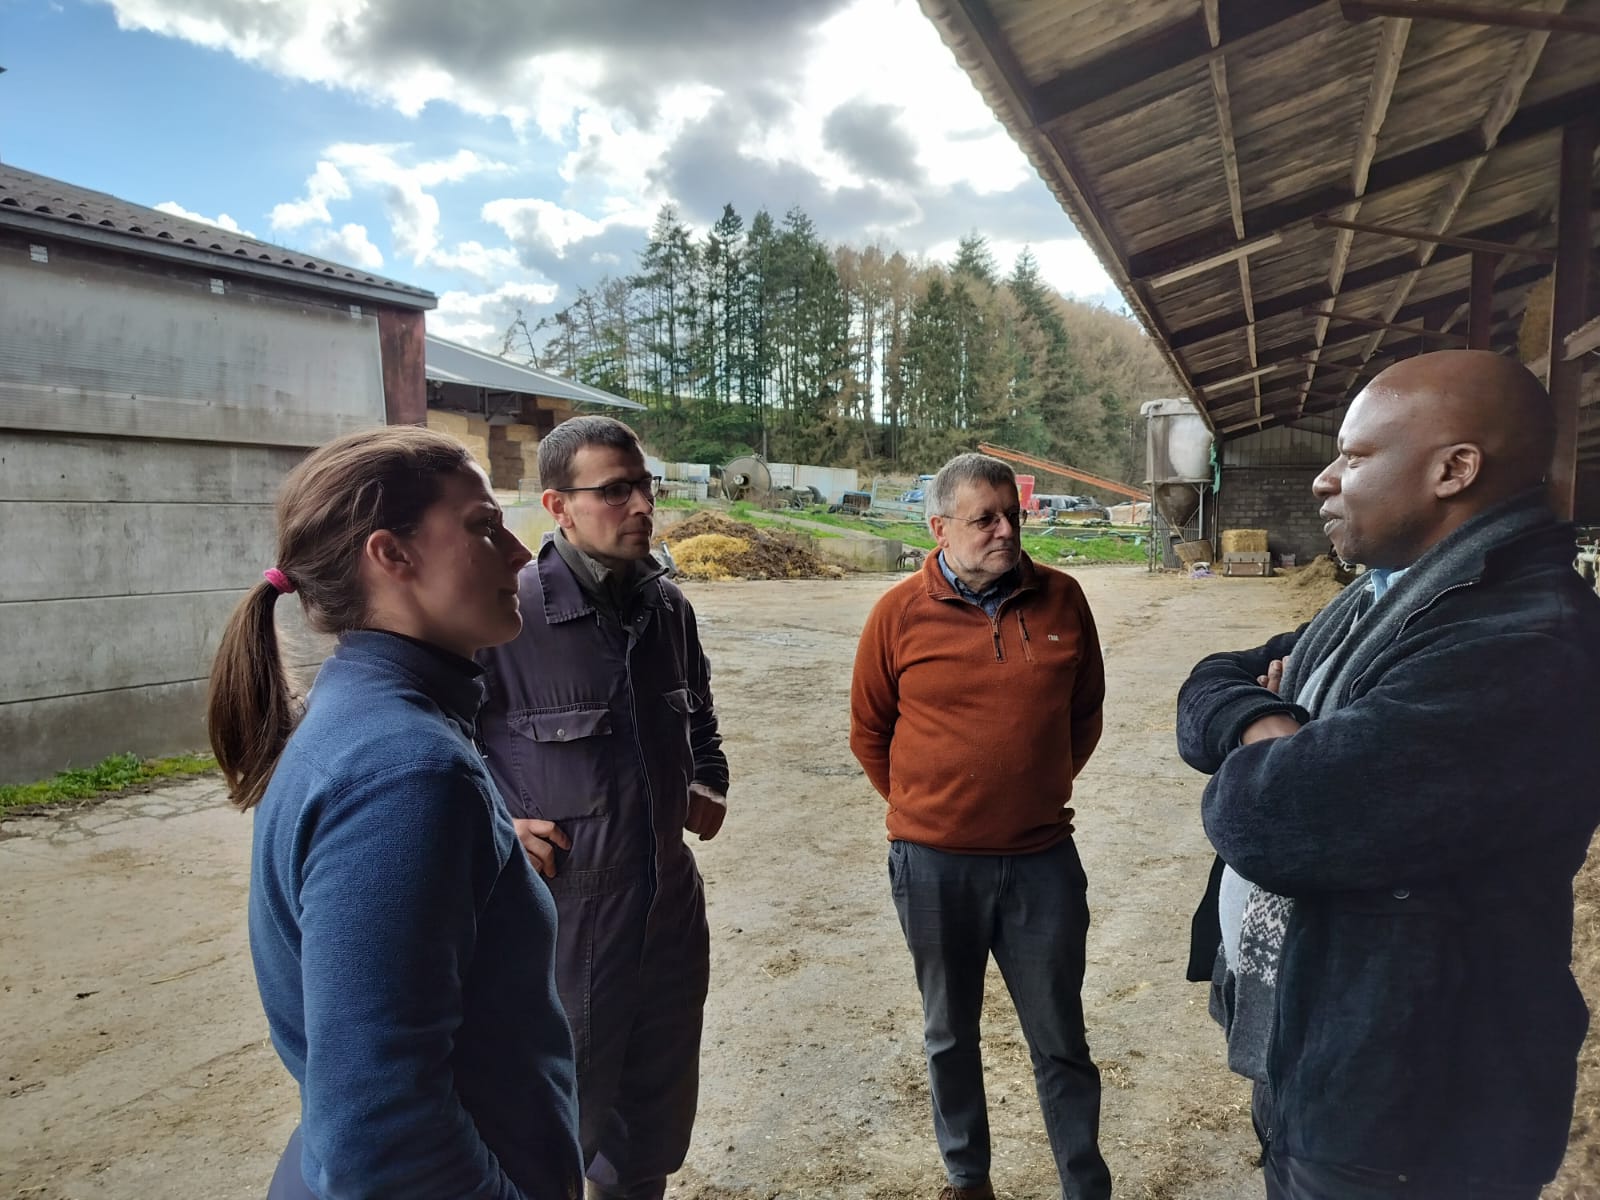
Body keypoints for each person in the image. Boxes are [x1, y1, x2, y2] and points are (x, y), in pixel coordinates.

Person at [1177, 350, 1600, 1198]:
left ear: (1454, 470)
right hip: (1333, 1060)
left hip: (1415, 1115)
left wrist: (1274, 737)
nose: (1323, 480)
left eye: (1355, 456)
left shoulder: (1524, 643)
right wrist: (1268, 721)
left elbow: (1265, 817)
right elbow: (1209, 680)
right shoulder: (1386, 601)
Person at [207, 426, 582, 1200]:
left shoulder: (370, 720)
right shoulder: (406, 772)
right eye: (484, 525)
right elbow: (383, 1139)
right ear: (392, 555)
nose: (519, 552)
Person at [476, 416, 728, 1200]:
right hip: (564, 925)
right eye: (615, 491)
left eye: (644, 487)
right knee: (551, 1139)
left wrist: (709, 778)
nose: (642, 506)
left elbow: (701, 717)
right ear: (559, 505)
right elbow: (434, 742)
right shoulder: (507, 615)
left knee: (647, 1137)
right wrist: (492, 825)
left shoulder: (668, 609)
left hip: (667, 915)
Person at [850, 452, 1112, 1200]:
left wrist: (1033, 791)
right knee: (949, 1033)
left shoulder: (1063, 599)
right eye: (985, 519)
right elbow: (869, 731)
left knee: (1060, 1038)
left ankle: (1084, 1185)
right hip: (934, 866)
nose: (1006, 532)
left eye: (1012, 516)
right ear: (939, 529)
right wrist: (930, 811)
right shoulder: (898, 614)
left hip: (1041, 861)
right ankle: (968, 1180)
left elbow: (1085, 713)